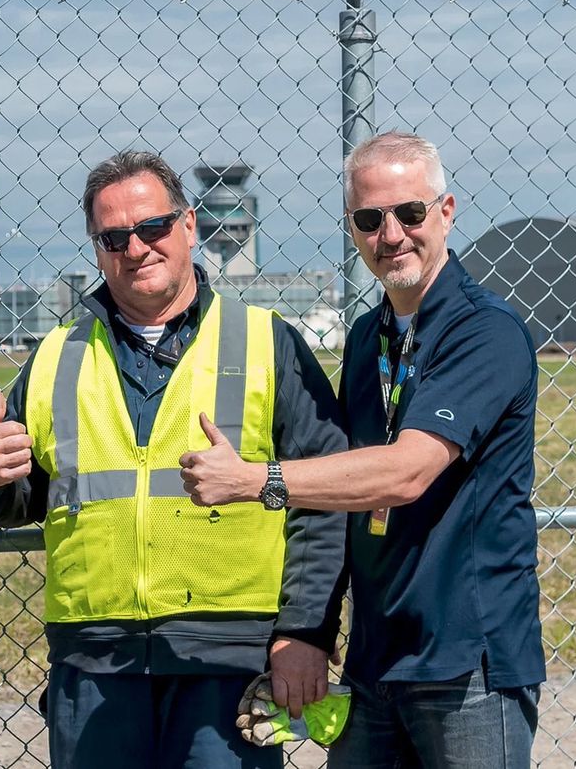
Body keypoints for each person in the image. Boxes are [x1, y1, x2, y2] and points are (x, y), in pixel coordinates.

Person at [0, 150, 348, 769]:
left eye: (152, 227)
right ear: (96, 246)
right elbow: (26, 493)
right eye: (113, 237)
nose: (135, 249)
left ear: (189, 225)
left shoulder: (266, 341)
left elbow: (325, 498)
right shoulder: (59, 353)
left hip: (229, 659)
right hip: (94, 659)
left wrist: (304, 632)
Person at [181, 131, 545, 767]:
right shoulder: (364, 340)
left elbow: (406, 473)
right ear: (352, 227)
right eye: (370, 219)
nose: (392, 234)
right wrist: (311, 631)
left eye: (410, 213)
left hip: (468, 666)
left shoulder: (485, 332)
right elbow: (341, 489)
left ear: (446, 211)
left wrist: (254, 481)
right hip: (376, 662)